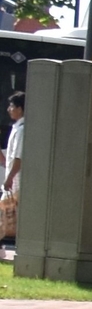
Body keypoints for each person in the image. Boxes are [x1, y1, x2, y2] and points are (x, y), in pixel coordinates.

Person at [1, 90, 23, 248]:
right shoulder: (17, 127)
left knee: (5, 214)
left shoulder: (22, 129)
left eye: (11, 106)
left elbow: (18, 158)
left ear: (20, 109)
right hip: (15, 182)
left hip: (17, 183)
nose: (9, 109)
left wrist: (8, 179)